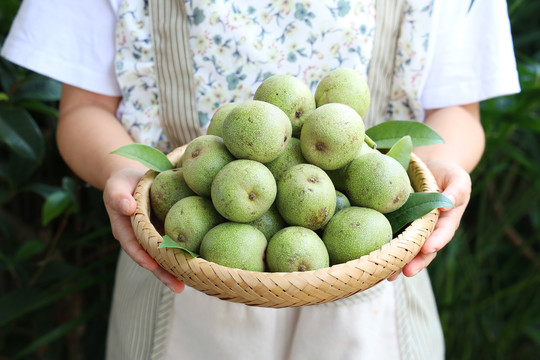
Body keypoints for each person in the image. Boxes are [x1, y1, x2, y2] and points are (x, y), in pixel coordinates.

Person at [2, 0, 520, 359]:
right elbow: (84, 109)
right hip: (183, 262)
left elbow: (457, 113)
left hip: (372, 277)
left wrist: (437, 174)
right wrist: (126, 175)